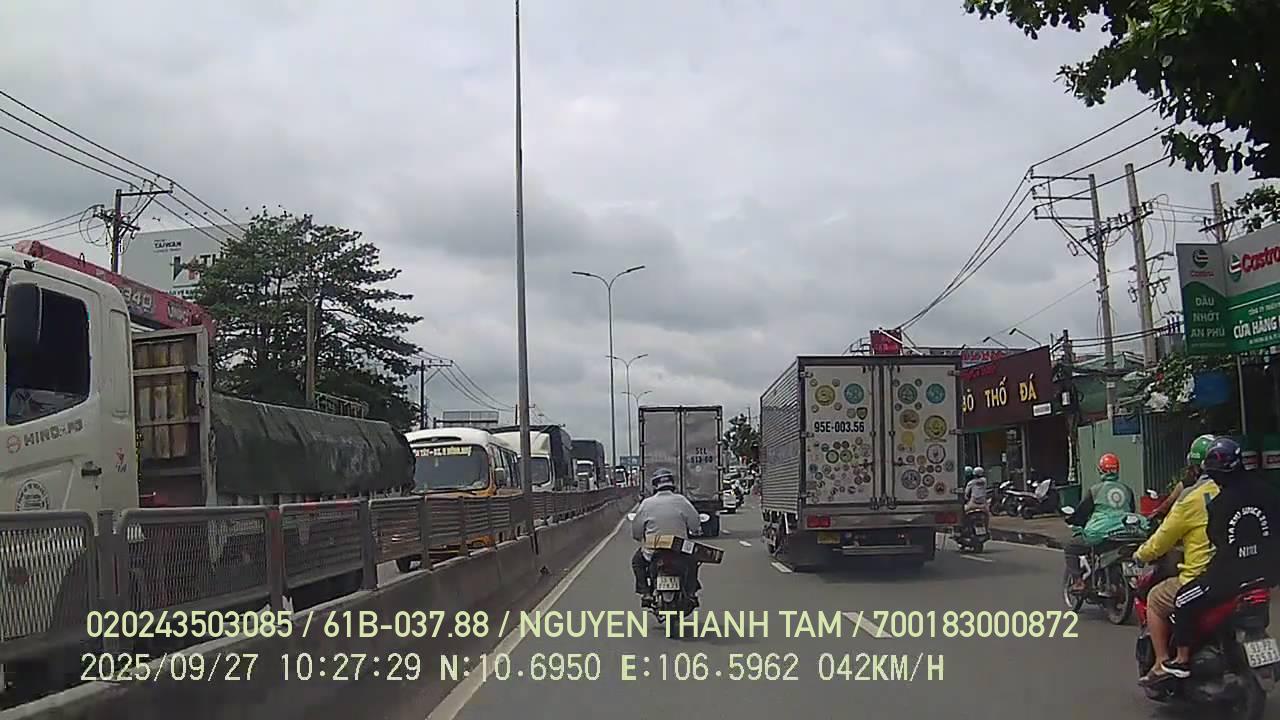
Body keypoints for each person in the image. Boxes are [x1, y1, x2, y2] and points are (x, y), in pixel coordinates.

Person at [1158, 438, 1280, 680]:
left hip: (1229, 579)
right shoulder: (1268, 491)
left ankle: (1182, 659)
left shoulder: (1219, 505)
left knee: (1182, 600)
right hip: (1267, 573)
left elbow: (1215, 539)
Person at [1132, 437, 1221, 685]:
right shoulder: (1231, 491)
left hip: (1200, 576)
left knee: (1155, 598)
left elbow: (1162, 540)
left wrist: (1140, 555)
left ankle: (1162, 662)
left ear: (1195, 466)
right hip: (1235, 573)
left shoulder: (1191, 497)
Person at [1063, 453, 1137, 592]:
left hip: (1101, 535)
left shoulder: (1095, 490)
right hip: (1124, 533)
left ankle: (1078, 582)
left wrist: (1071, 519)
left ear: (1101, 470)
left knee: (1070, 548)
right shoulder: (1127, 490)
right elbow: (1131, 510)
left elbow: (1082, 511)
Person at [631, 468, 702, 608]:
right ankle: (691, 592)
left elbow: (637, 531)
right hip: (680, 549)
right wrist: (694, 531)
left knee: (637, 562)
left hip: (653, 551)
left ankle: (645, 593)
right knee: (693, 561)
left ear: (655, 485)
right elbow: (695, 524)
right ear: (672, 484)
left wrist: (641, 538)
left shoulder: (646, 503)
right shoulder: (682, 500)